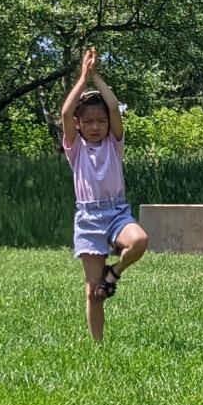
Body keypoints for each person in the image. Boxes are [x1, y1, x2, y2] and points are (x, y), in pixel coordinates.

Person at [61, 47, 149, 341]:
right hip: (88, 218)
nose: (96, 126)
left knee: (139, 241)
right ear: (79, 125)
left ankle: (115, 272)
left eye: (101, 121)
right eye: (89, 122)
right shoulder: (76, 150)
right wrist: (82, 78)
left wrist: (95, 76)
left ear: (109, 125)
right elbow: (65, 111)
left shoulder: (114, 144)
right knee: (93, 292)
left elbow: (112, 105)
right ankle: (98, 348)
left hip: (116, 213)